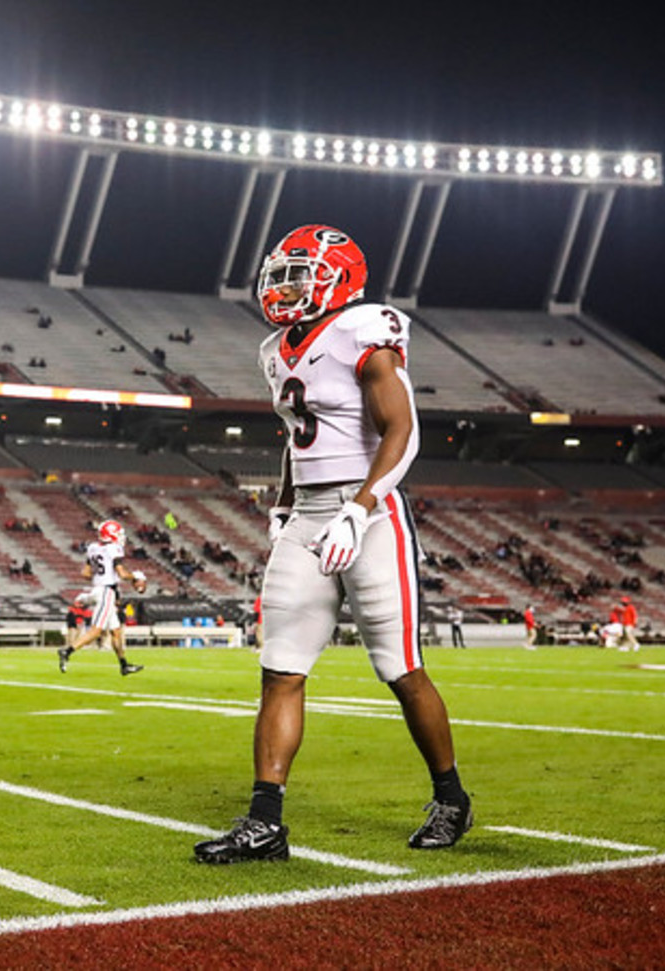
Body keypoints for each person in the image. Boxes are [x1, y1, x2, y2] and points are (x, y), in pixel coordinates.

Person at [194, 225, 471, 865]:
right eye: (281, 274)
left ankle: (451, 797)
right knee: (280, 669)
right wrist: (285, 505)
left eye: (298, 273)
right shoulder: (274, 349)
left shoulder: (362, 330)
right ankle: (266, 821)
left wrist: (361, 507)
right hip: (308, 517)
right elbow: (299, 437)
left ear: (337, 277)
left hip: (368, 512)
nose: (284, 286)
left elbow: (402, 430)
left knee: (399, 669)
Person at [57, 519, 146, 675]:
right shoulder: (114, 549)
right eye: (118, 534)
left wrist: (100, 574)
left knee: (116, 632)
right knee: (96, 630)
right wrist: (135, 576)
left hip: (98, 589)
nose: (120, 537)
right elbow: (122, 574)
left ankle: (124, 665)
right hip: (106, 592)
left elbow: (85, 573)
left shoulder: (92, 548)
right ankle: (67, 651)